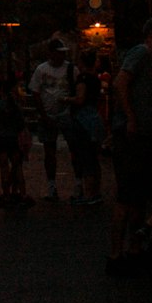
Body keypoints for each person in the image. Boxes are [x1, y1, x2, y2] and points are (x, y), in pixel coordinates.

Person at [106, 17, 152, 276]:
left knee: (139, 195)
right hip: (132, 135)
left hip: (144, 134)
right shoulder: (141, 53)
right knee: (127, 195)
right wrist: (130, 117)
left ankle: (133, 248)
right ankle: (116, 253)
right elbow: (120, 82)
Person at [28, 38, 78, 201]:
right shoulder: (42, 70)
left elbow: (35, 92)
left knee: (72, 148)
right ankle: (53, 185)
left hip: (64, 113)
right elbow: (35, 93)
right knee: (51, 150)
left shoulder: (70, 69)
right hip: (51, 114)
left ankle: (76, 183)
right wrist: (43, 114)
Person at [0, 73, 33, 208]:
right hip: (13, 138)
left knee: (4, 168)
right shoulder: (15, 106)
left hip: (0, 139)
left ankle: (6, 194)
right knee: (17, 166)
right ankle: (22, 193)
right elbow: (21, 124)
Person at [66, 47, 104, 205]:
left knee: (85, 157)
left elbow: (80, 99)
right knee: (93, 158)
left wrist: (66, 99)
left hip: (82, 121)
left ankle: (89, 194)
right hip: (94, 119)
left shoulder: (82, 79)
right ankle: (96, 191)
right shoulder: (96, 79)